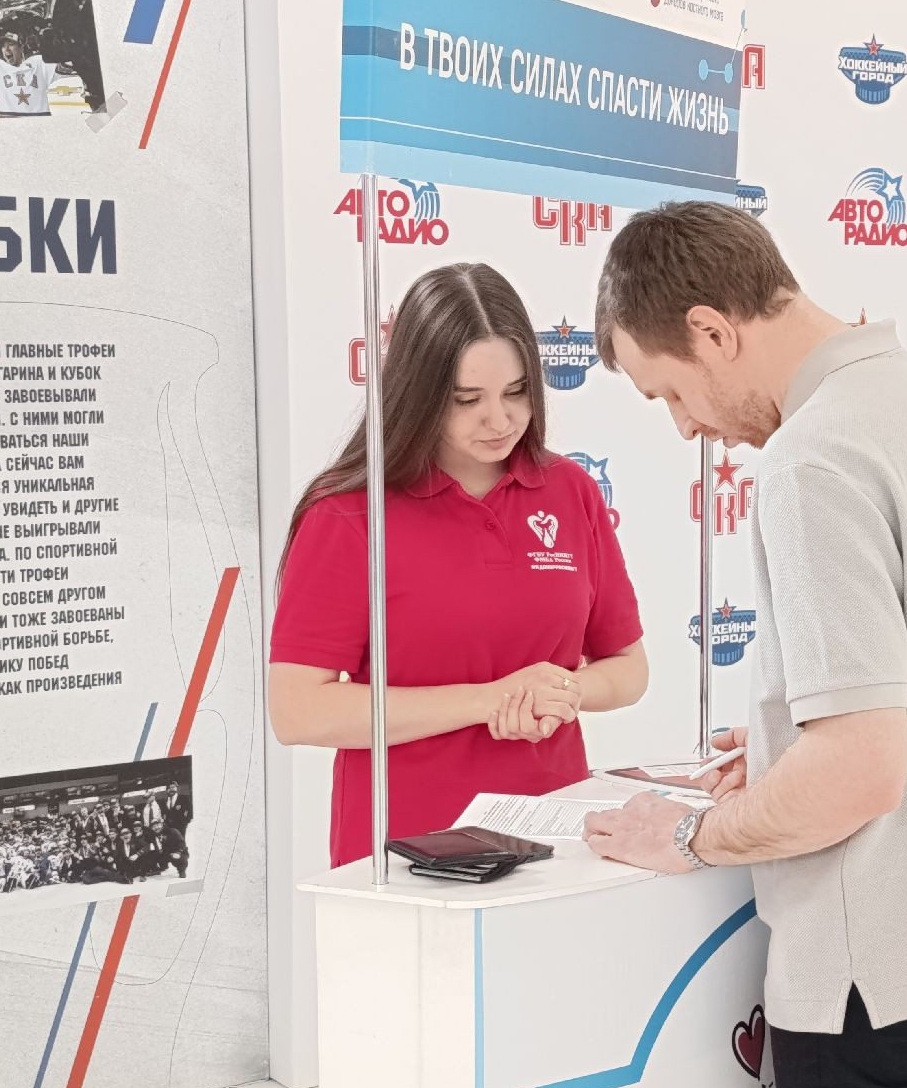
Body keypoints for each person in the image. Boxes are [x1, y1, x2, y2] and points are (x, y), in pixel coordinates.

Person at [580, 202, 907, 1088]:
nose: (687, 427)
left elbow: (856, 771)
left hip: (874, 974)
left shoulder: (816, 457)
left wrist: (689, 835)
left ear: (712, 331)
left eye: (669, 392)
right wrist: (781, 755)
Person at [269, 264, 649, 866]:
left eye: (516, 392)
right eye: (467, 400)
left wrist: (560, 692)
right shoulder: (348, 515)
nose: (499, 420)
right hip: (405, 855)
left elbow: (628, 669)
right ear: (417, 394)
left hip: (555, 840)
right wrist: (488, 701)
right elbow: (297, 711)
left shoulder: (569, 490)